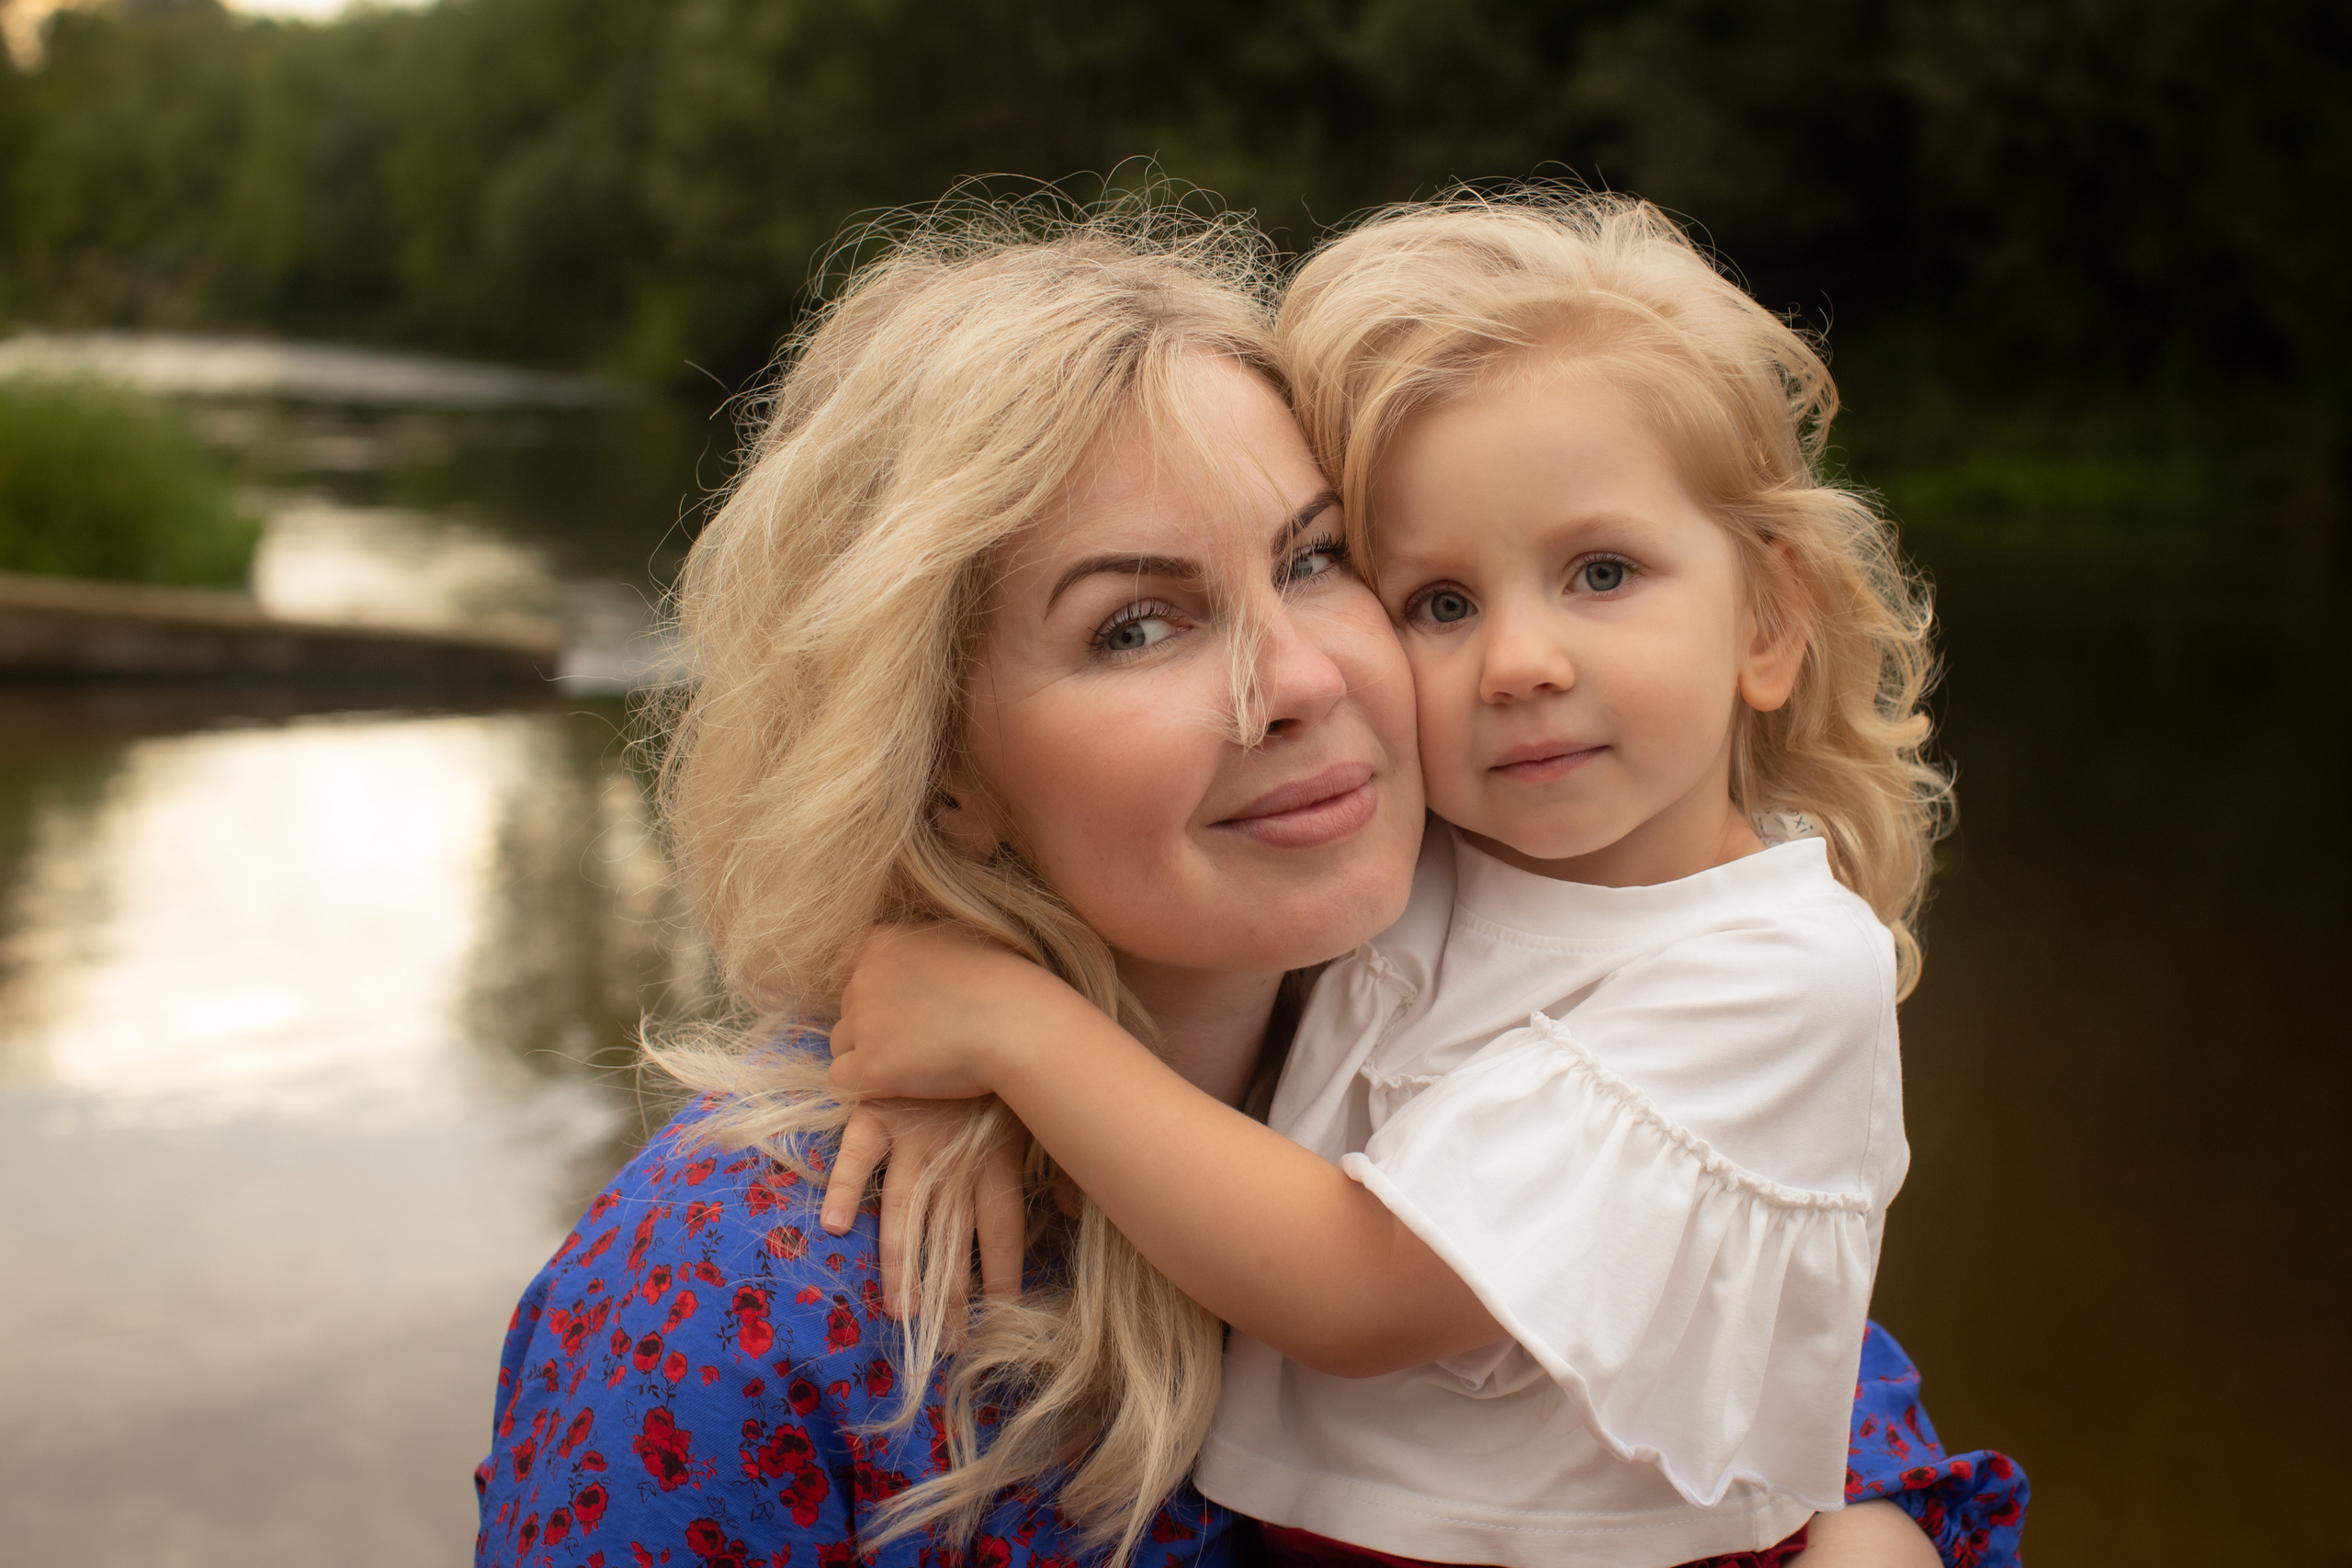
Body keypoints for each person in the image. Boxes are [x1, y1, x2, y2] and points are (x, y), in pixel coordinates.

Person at [475, 197, 2009, 1568]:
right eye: (1135, 626)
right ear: (938, 763)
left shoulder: (1529, 1019)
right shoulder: (740, 1291)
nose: (1294, 682)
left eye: (1318, 559)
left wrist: (1877, 1537)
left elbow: (1821, 1418)